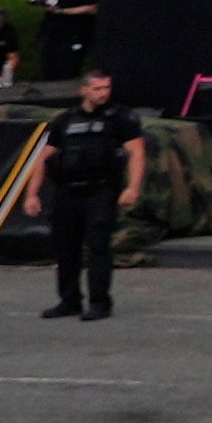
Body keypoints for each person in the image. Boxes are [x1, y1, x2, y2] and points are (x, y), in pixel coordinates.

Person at [35, 66, 136, 322]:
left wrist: (133, 186)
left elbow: (138, 152)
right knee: (65, 248)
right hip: (67, 192)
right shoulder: (65, 121)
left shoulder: (119, 118)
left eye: (107, 88)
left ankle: (100, 302)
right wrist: (32, 194)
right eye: (97, 88)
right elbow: (43, 158)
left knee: (99, 247)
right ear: (83, 90)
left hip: (100, 190)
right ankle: (69, 300)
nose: (103, 93)